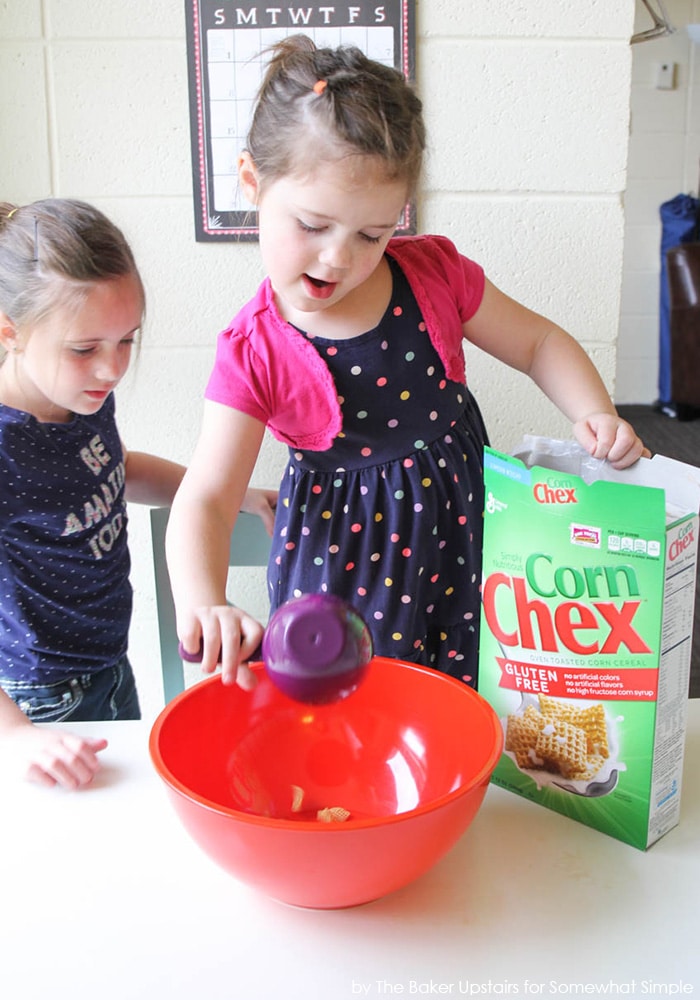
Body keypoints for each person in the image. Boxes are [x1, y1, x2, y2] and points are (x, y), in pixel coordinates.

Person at [165, 35, 647, 692]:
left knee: (474, 703)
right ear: (252, 182)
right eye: (312, 224)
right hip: (345, 571)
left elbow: (537, 343)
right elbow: (208, 499)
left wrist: (594, 412)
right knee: (358, 717)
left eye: (372, 233)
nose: (339, 257)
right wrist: (203, 599)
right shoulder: (257, 348)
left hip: (468, 541)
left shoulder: (434, 277)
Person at [0, 198, 276, 789]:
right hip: (38, 700)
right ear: (10, 332)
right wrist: (14, 735)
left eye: (127, 340)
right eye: (85, 350)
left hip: (109, 664)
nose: (112, 369)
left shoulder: (82, 400)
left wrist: (234, 492)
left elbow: (118, 470)